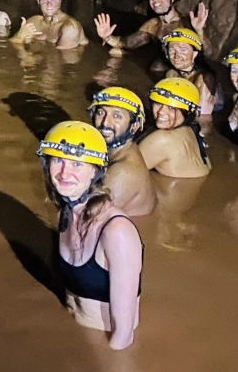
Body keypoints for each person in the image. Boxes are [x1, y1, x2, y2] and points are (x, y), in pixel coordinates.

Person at [37, 120, 142, 350]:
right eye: (58, 160)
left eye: (77, 164)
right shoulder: (65, 212)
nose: (65, 173)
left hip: (100, 343)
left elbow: (124, 335)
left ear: (95, 170)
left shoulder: (117, 232)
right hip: (70, 328)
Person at [94, 0, 209, 57]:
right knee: (115, 52)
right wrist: (107, 37)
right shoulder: (153, 25)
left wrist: (199, 30)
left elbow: (207, 53)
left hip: (180, 72)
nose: (155, 0)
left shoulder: (185, 23)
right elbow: (127, 43)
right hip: (159, 66)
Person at [88, 87, 155, 216]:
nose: (105, 122)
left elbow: (89, 220)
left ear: (134, 126)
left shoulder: (123, 172)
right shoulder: (121, 151)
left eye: (117, 116)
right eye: (101, 113)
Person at [139, 78, 210, 178]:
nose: (161, 111)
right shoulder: (193, 129)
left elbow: (123, 173)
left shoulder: (162, 139)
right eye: (158, 103)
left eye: (171, 108)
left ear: (187, 112)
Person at [161, 28, 223, 115]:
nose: (176, 56)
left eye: (182, 50)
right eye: (172, 50)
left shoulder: (204, 79)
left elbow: (202, 116)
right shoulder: (171, 74)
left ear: (194, 54)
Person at [10, 0, 87, 49]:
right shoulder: (34, 22)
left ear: (60, 1)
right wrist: (19, 36)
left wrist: (29, 55)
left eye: (53, 0)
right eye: (44, 0)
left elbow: (61, 59)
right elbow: (9, 47)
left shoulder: (70, 27)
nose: (49, 4)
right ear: (38, 1)